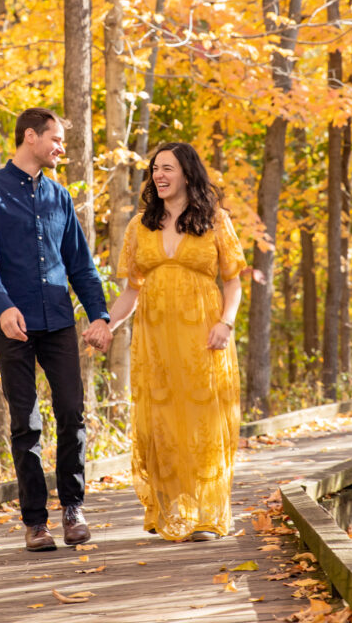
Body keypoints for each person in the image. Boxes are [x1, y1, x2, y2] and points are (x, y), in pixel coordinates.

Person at [0, 108, 111, 552]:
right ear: (30, 137)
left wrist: (100, 315)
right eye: (55, 139)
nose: (60, 148)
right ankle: (35, 521)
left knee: (72, 412)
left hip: (57, 320)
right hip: (11, 323)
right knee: (24, 422)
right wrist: (4, 306)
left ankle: (73, 508)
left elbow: (80, 264)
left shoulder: (60, 197)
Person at [104, 141, 245, 542]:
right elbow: (131, 292)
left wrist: (226, 323)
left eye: (167, 168)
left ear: (186, 173)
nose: (159, 176)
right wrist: (106, 326)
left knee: (201, 420)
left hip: (203, 338)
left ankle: (203, 514)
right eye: (154, 170)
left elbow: (232, 282)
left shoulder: (215, 220)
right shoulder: (139, 226)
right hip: (156, 344)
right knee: (160, 423)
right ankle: (170, 510)